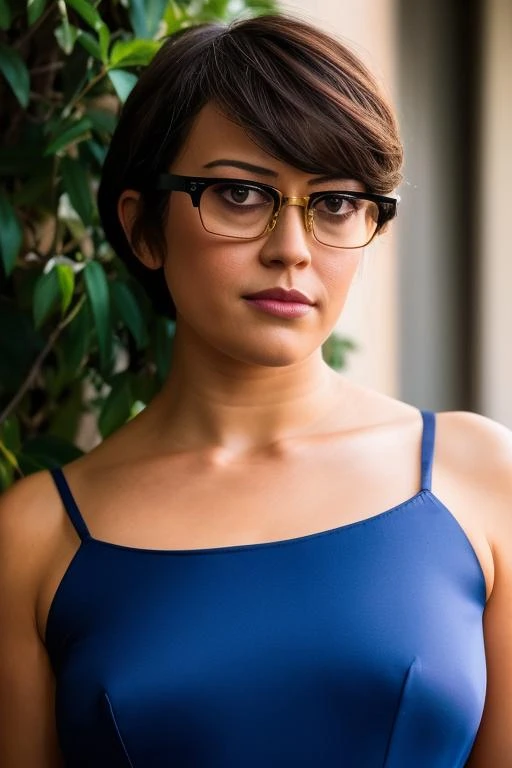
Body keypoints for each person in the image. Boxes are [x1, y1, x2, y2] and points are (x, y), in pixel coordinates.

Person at [0, 12, 510, 767]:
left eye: (335, 203)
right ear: (143, 228)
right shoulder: (35, 536)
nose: (292, 250)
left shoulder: (479, 474)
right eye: (240, 194)